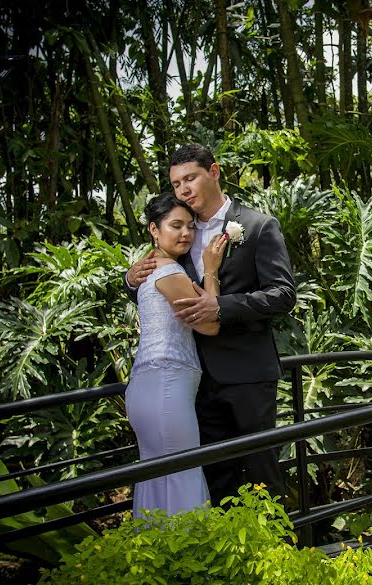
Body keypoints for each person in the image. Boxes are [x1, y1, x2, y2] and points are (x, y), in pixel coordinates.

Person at [125, 143, 296, 504]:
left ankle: (282, 557)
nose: (183, 189)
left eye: (190, 178)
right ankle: (224, 559)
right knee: (215, 478)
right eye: (175, 184)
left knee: (263, 473)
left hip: (248, 373)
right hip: (195, 382)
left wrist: (220, 307)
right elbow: (163, 292)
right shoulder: (179, 233)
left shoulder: (258, 226)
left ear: (214, 172)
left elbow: (282, 294)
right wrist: (130, 281)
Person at [125, 192, 228, 517]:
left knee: (157, 480)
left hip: (150, 387)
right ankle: (193, 561)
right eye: (175, 225)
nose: (186, 233)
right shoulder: (169, 272)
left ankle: (157, 559)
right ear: (155, 230)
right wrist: (211, 270)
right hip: (167, 385)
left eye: (190, 226)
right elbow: (210, 324)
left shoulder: (152, 268)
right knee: (182, 475)